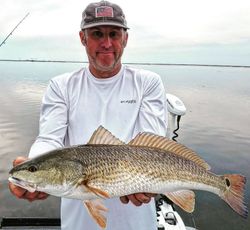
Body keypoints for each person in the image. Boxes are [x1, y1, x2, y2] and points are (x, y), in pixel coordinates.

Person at [9, 1, 168, 229]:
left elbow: (152, 143)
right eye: (97, 34)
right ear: (83, 38)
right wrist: (34, 165)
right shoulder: (61, 86)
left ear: (125, 39)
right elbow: (49, 138)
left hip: (137, 220)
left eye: (114, 33)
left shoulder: (147, 82)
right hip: (78, 222)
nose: (106, 43)